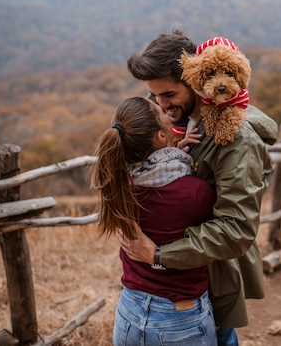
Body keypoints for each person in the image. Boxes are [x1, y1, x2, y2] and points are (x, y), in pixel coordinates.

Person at [120, 30, 278, 346]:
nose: (161, 107)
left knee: (219, 337)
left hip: (211, 278)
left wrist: (160, 254)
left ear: (195, 81)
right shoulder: (185, 123)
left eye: (168, 95)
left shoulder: (235, 141)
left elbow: (236, 229)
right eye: (154, 96)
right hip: (176, 281)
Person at [90, 96, 218, 346]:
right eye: (161, 110)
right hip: (179, 318)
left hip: (129, 311)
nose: (165, 107)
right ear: (161, 137)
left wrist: (172, 151)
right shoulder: (195, 193)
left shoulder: (119, 183)